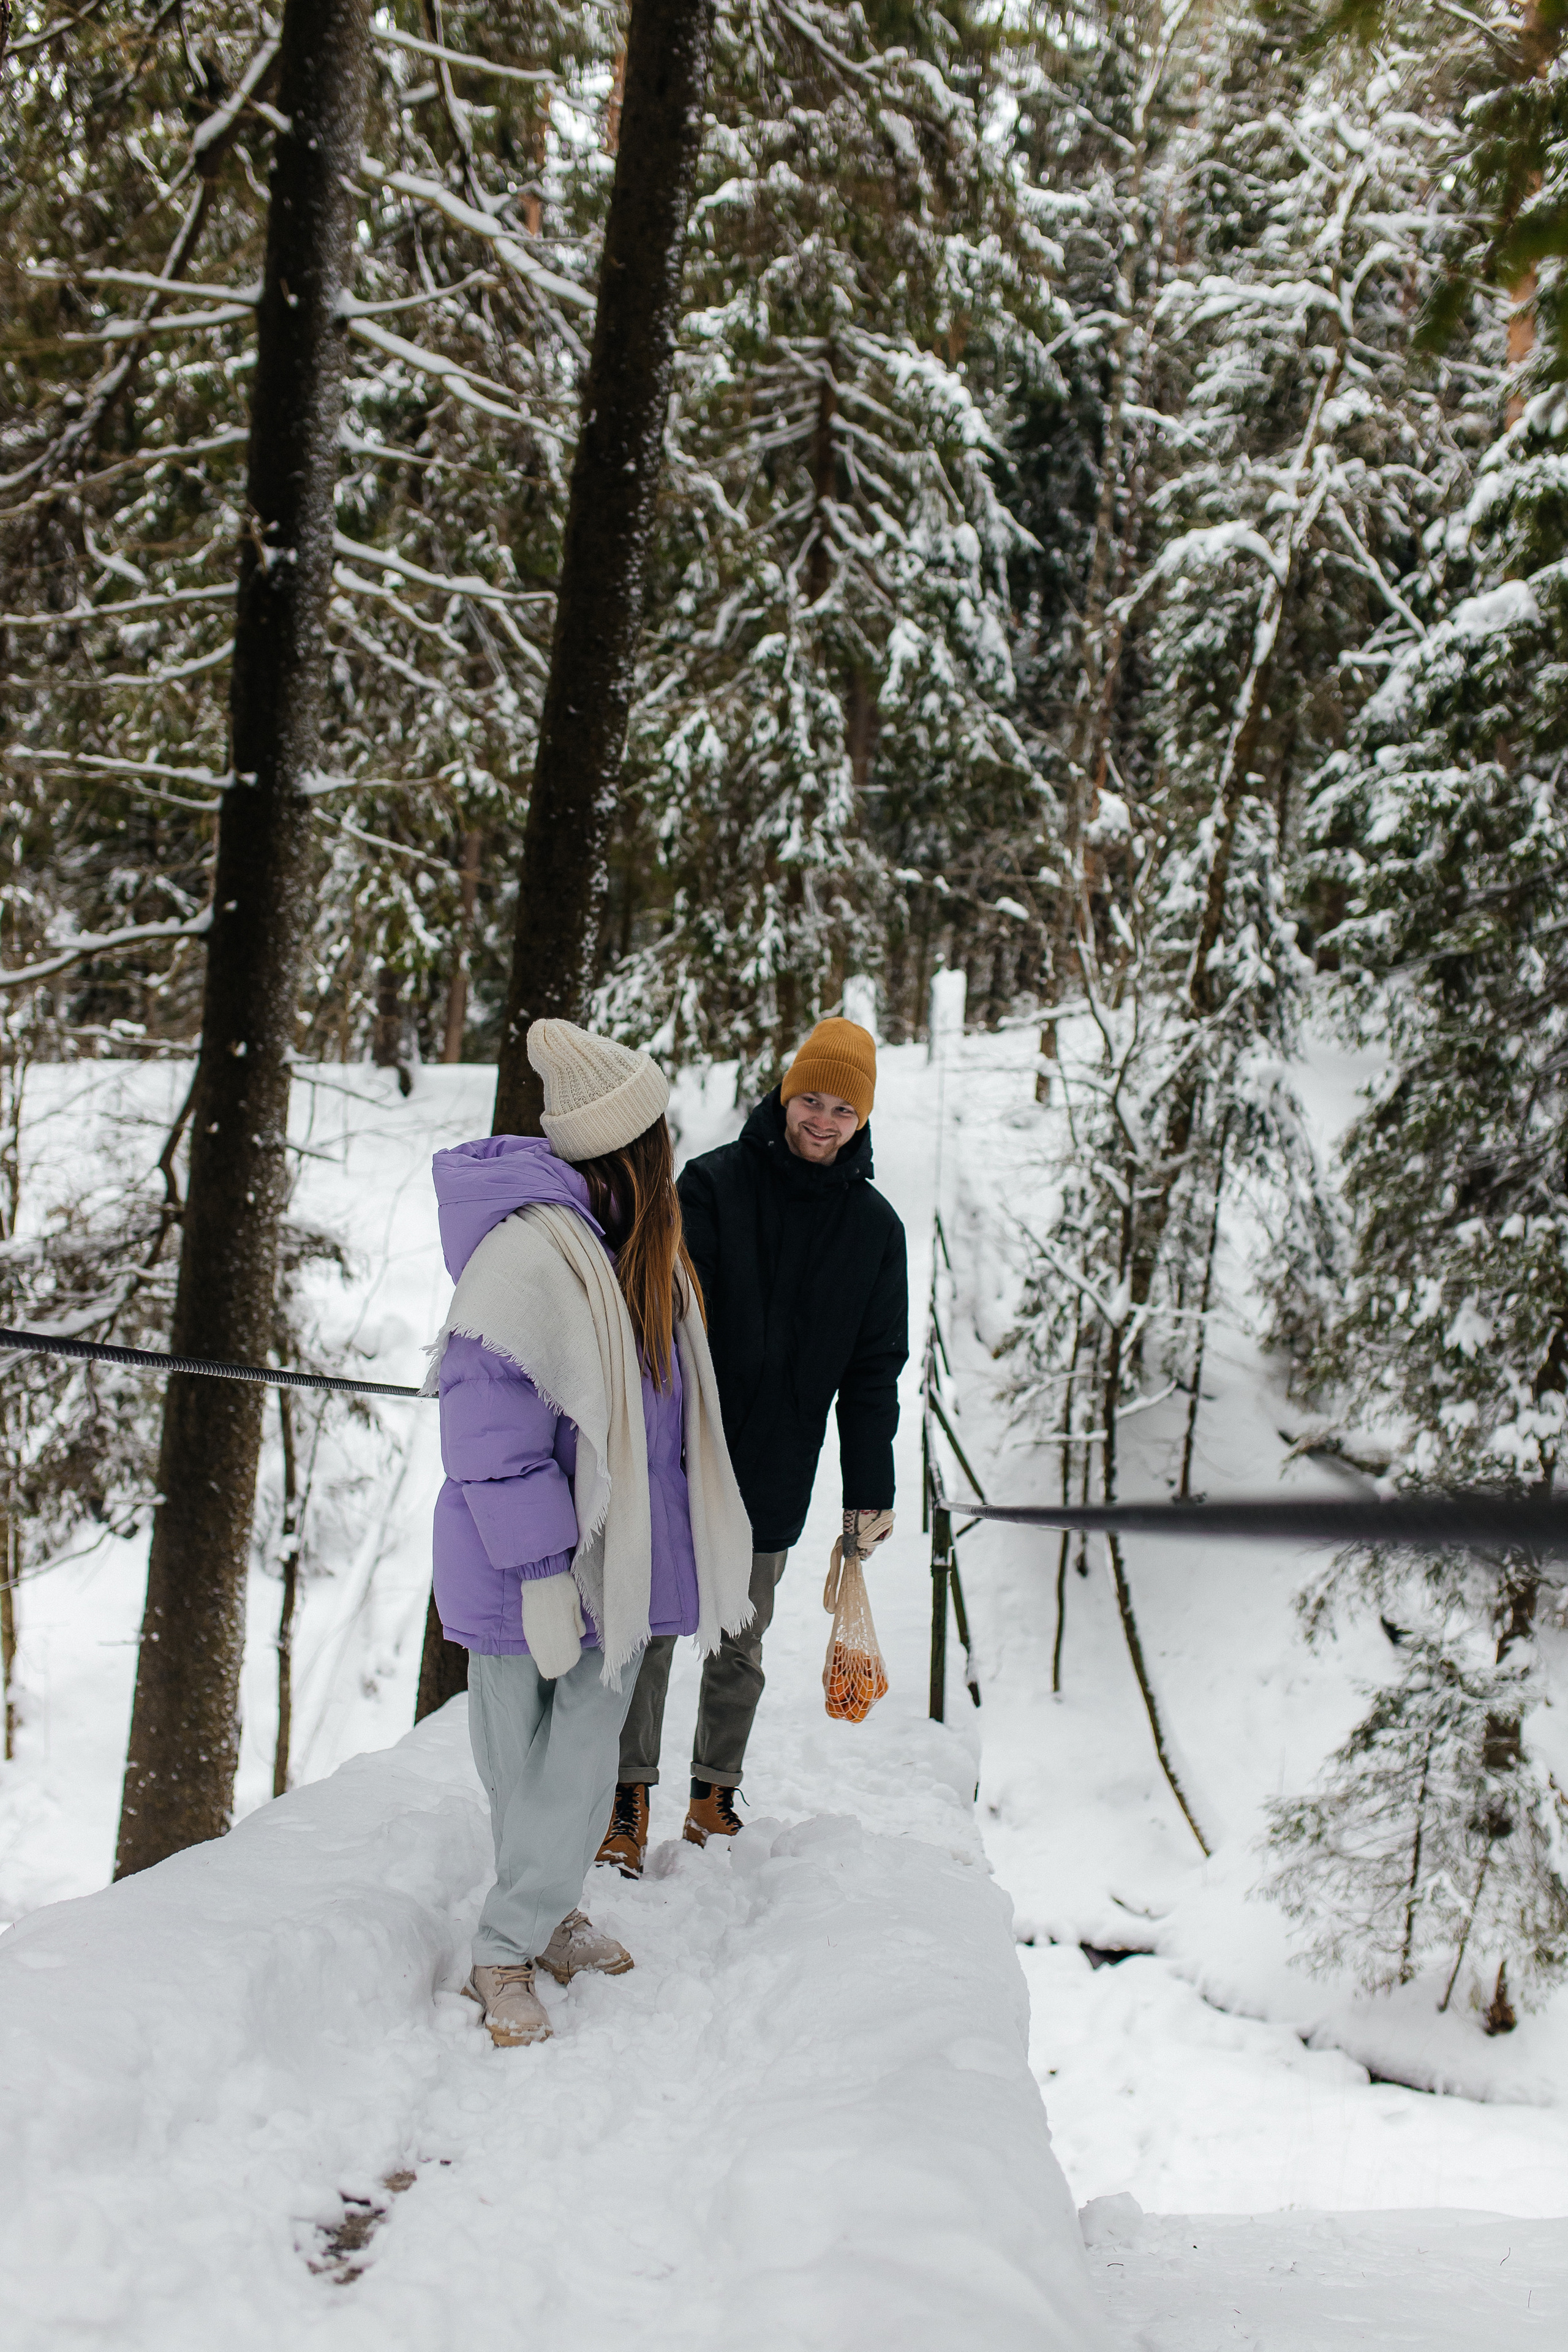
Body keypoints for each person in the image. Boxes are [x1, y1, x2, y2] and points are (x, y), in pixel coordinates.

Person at [429, 1019, 753, 2047]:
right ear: (636, 1147)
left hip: (612, 1563)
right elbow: (487, 1434)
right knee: (524, 1766)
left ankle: (537, 1918)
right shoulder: (530, 1258)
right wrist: (536, 1571)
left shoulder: (634, 1250)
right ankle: (503, 1949)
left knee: (575, 1760)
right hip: (527, 1568)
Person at [599, 1016, 908, 1872]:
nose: (822, 1120)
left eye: (843, 1109)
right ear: (785, 1093)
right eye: (811, 1098)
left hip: (776, 1465)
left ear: (863, 1119)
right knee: (654, 1627)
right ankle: (626, 1798)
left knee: (741, 1637)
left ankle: (713, 1796)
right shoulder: (710, 1187)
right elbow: (654, 1315)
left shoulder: (877, 1233)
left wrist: (868, 1489)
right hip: (683, 1450)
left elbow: (875, 1370)